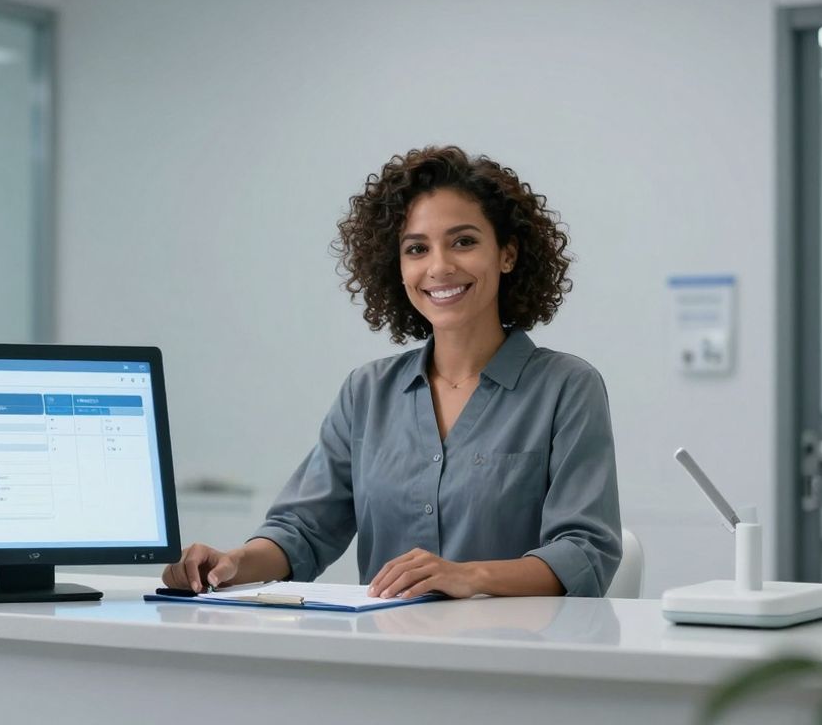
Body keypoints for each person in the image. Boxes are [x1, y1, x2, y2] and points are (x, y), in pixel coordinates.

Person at [162, 145, 621, 599]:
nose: (439, 266)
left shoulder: (566, 387)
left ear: (507, 254)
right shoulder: (367, 392)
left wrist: (469, 576)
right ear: (397, 267)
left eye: (463, 241)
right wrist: (231, 563)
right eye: (417, 249)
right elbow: (302, 530)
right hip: (386, 640)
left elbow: (585, 551)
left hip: (514, 642)